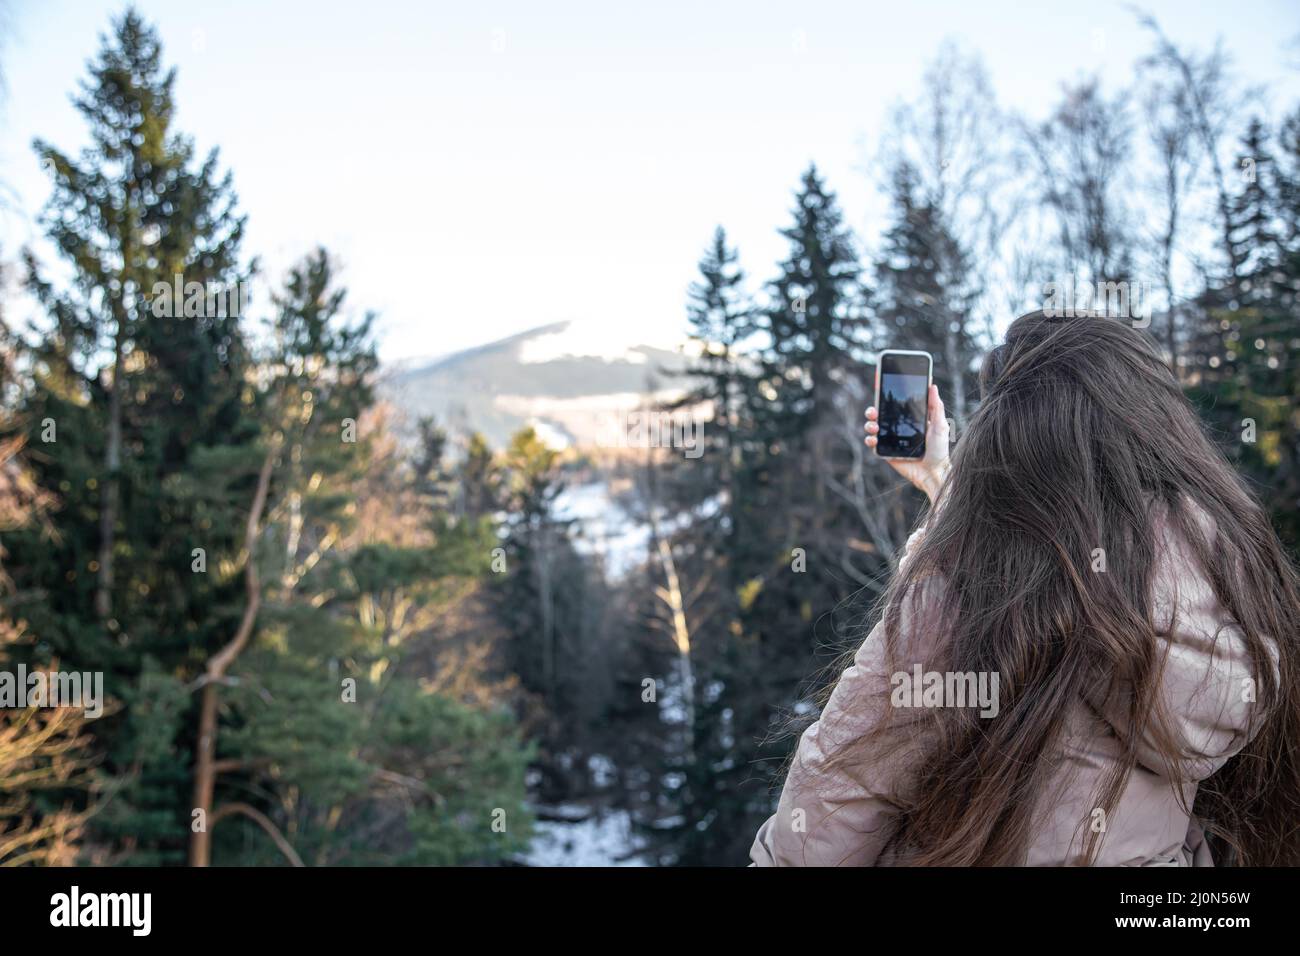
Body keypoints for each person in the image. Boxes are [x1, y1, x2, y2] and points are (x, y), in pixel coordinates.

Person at [750, 310, 1300, 866]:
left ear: (1010, 439)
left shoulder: (963, 595)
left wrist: (950, 527)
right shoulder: (1236, 572)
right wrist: (943, 486)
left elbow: (843, 788)